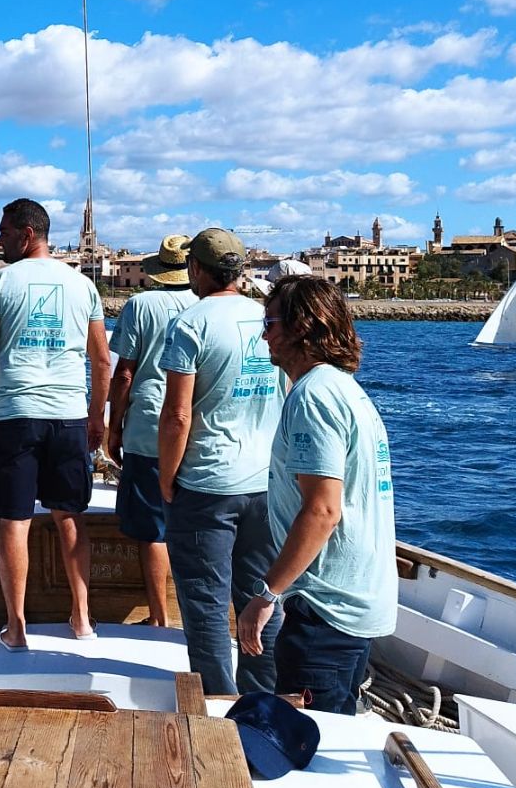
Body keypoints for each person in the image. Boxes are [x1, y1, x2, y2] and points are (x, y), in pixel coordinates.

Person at [239, 275, 396, 716]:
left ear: (302, 327)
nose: (264, 335)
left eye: (269, 323)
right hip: (353, 603)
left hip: (327, 612)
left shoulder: (314, 396)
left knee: (311, 744)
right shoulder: (345, 390)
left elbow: (323, 510)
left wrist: (265, 597)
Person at [0, 198, 110, 650]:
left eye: (4, 231)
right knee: (71, 517)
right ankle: (82, 618)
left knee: (14, 521)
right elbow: (101, 359)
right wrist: (95, 416)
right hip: (67, 416)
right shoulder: (82, 286)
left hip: (16, 417)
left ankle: (17, 626)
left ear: (27, 235)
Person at [156, 228, 284, 694]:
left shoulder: (191, 324)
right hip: (265, 483)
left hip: (207, 484)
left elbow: (177, 414)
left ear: (196, 269)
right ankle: (263, 697)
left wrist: (167, 478)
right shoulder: (266, 319)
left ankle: (215, 700)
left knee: (206, 603)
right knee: (263, 599)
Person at [104, 235, 200, 627]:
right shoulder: (206, 307)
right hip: (196, 431)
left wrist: (114, 428)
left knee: (154, 531)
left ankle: (159, 616)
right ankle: (192, 616)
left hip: (147, 428)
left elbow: (124, 372)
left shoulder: (140, 305)